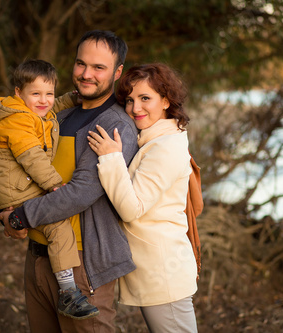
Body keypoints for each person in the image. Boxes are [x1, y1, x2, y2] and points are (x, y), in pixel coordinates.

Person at [0, 30, 139, 332]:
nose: (86, 74)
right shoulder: (56, 116)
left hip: (82, 266)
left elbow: (82, 192)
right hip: (38, 255)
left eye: (99, 68)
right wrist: (6, 209)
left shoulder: (114, 125)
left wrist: (21, 216)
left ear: (117, 72)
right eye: (80, 64)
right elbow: (19, 165)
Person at [0, 59, 99, 320]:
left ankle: (67, 290)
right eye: (35, 93)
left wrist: (70, 98)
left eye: (49, 93)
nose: (44, 100)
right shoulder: (17, 122)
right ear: (18, 93)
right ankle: (68, 292)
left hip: (18, 187)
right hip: (18, 190)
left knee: (55, 224)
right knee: (58, 226)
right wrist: (55, 185)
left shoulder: (29, 111)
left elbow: (51, 107)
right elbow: (32, 157)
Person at [87, 63, 199, 332]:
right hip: (158, 274)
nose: (135, 108)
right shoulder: (154, 140)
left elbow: (131, 208)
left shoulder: (165, 148)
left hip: (164, 276)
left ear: (166, 101)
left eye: (145, 98)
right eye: (130, 100)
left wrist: (111, 157)